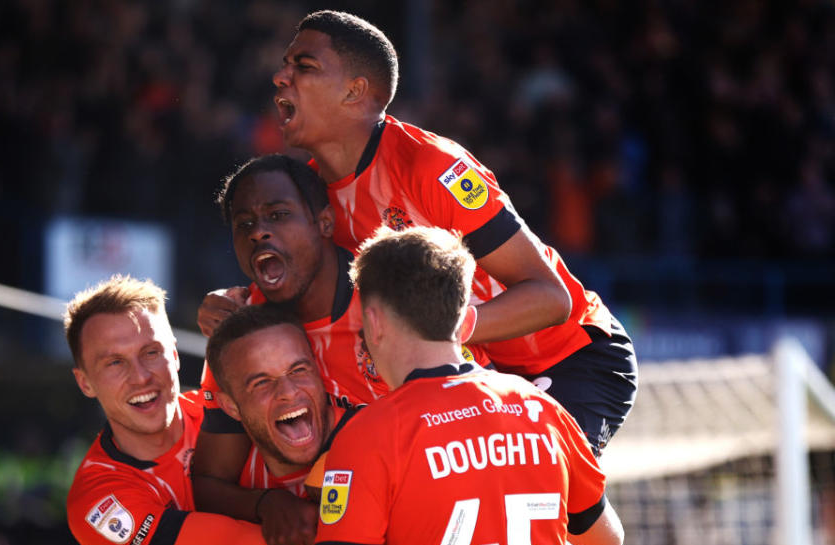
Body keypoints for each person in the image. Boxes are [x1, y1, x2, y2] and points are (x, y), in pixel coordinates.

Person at [269, 9, 637, 459]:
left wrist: (446, 328)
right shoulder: (312, 196)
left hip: (572, 358)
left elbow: (551, 297)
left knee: (530, 500)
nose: (280, 77)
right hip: (478, 374)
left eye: (303, 66)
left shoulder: (431, 166)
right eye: (286, 64)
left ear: (355, 91)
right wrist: (239, 300)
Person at [295, 226, 624, 545]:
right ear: (466, 320)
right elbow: (607, 543)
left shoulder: (367, 438)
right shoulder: (542, 410)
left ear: (373, 322)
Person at [192, 154, 487, 545]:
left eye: (278, 215)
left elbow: (475, 433)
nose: (259, 232)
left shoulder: (395, 304)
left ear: (325, 223)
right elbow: (209, 481)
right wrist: (267, 505)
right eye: (244, 224)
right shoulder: (242, 333)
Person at [63, 274, 286, 545]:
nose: (141, 377)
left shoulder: (225, 412)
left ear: (176, 354)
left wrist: (240, 304)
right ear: (85, 382)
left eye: (151, 352)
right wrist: (354, 530)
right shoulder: (97, 498)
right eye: (114, 363)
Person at [204, 303, 384, 545]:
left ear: (319, 372)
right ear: (230, 407)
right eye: (261, 383)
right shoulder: (238, 482)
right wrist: (263, 504)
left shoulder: (379, 442)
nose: (288, 393)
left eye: (299, 371)